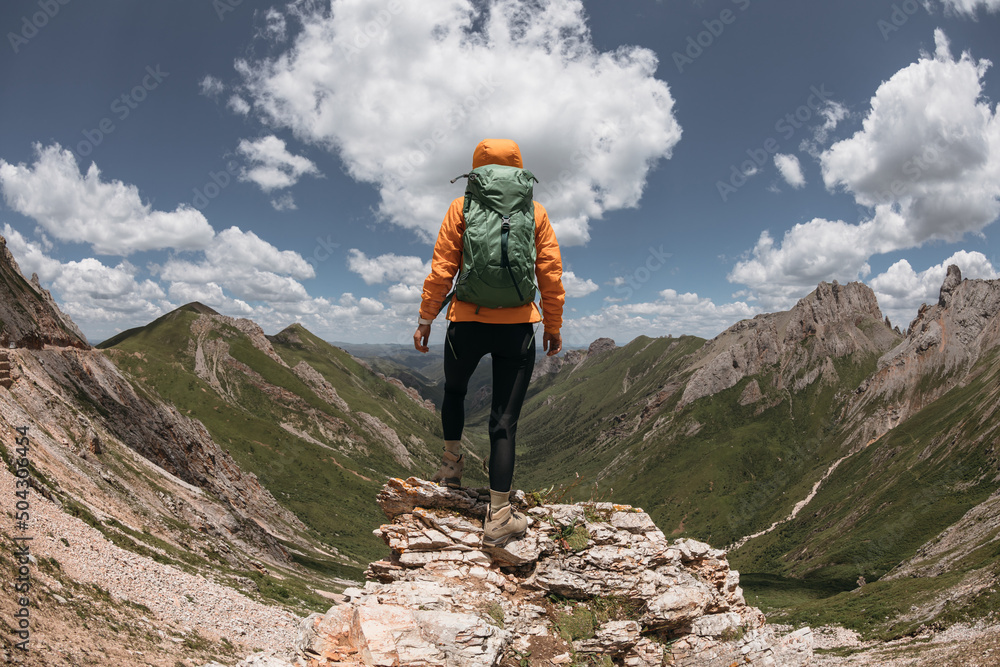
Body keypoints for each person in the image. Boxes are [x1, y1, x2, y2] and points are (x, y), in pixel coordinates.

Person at [413, 138, 565, 547]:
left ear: (475, 170)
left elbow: (442, 268)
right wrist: (552, 326)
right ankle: (498, 516)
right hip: (517, 328)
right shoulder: (535, 212)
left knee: (455, 392)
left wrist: (427, 318)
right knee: (504, 422)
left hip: (466, 321)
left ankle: (450, 469)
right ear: (519, 169)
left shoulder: (460, 208)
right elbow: (550, 274)